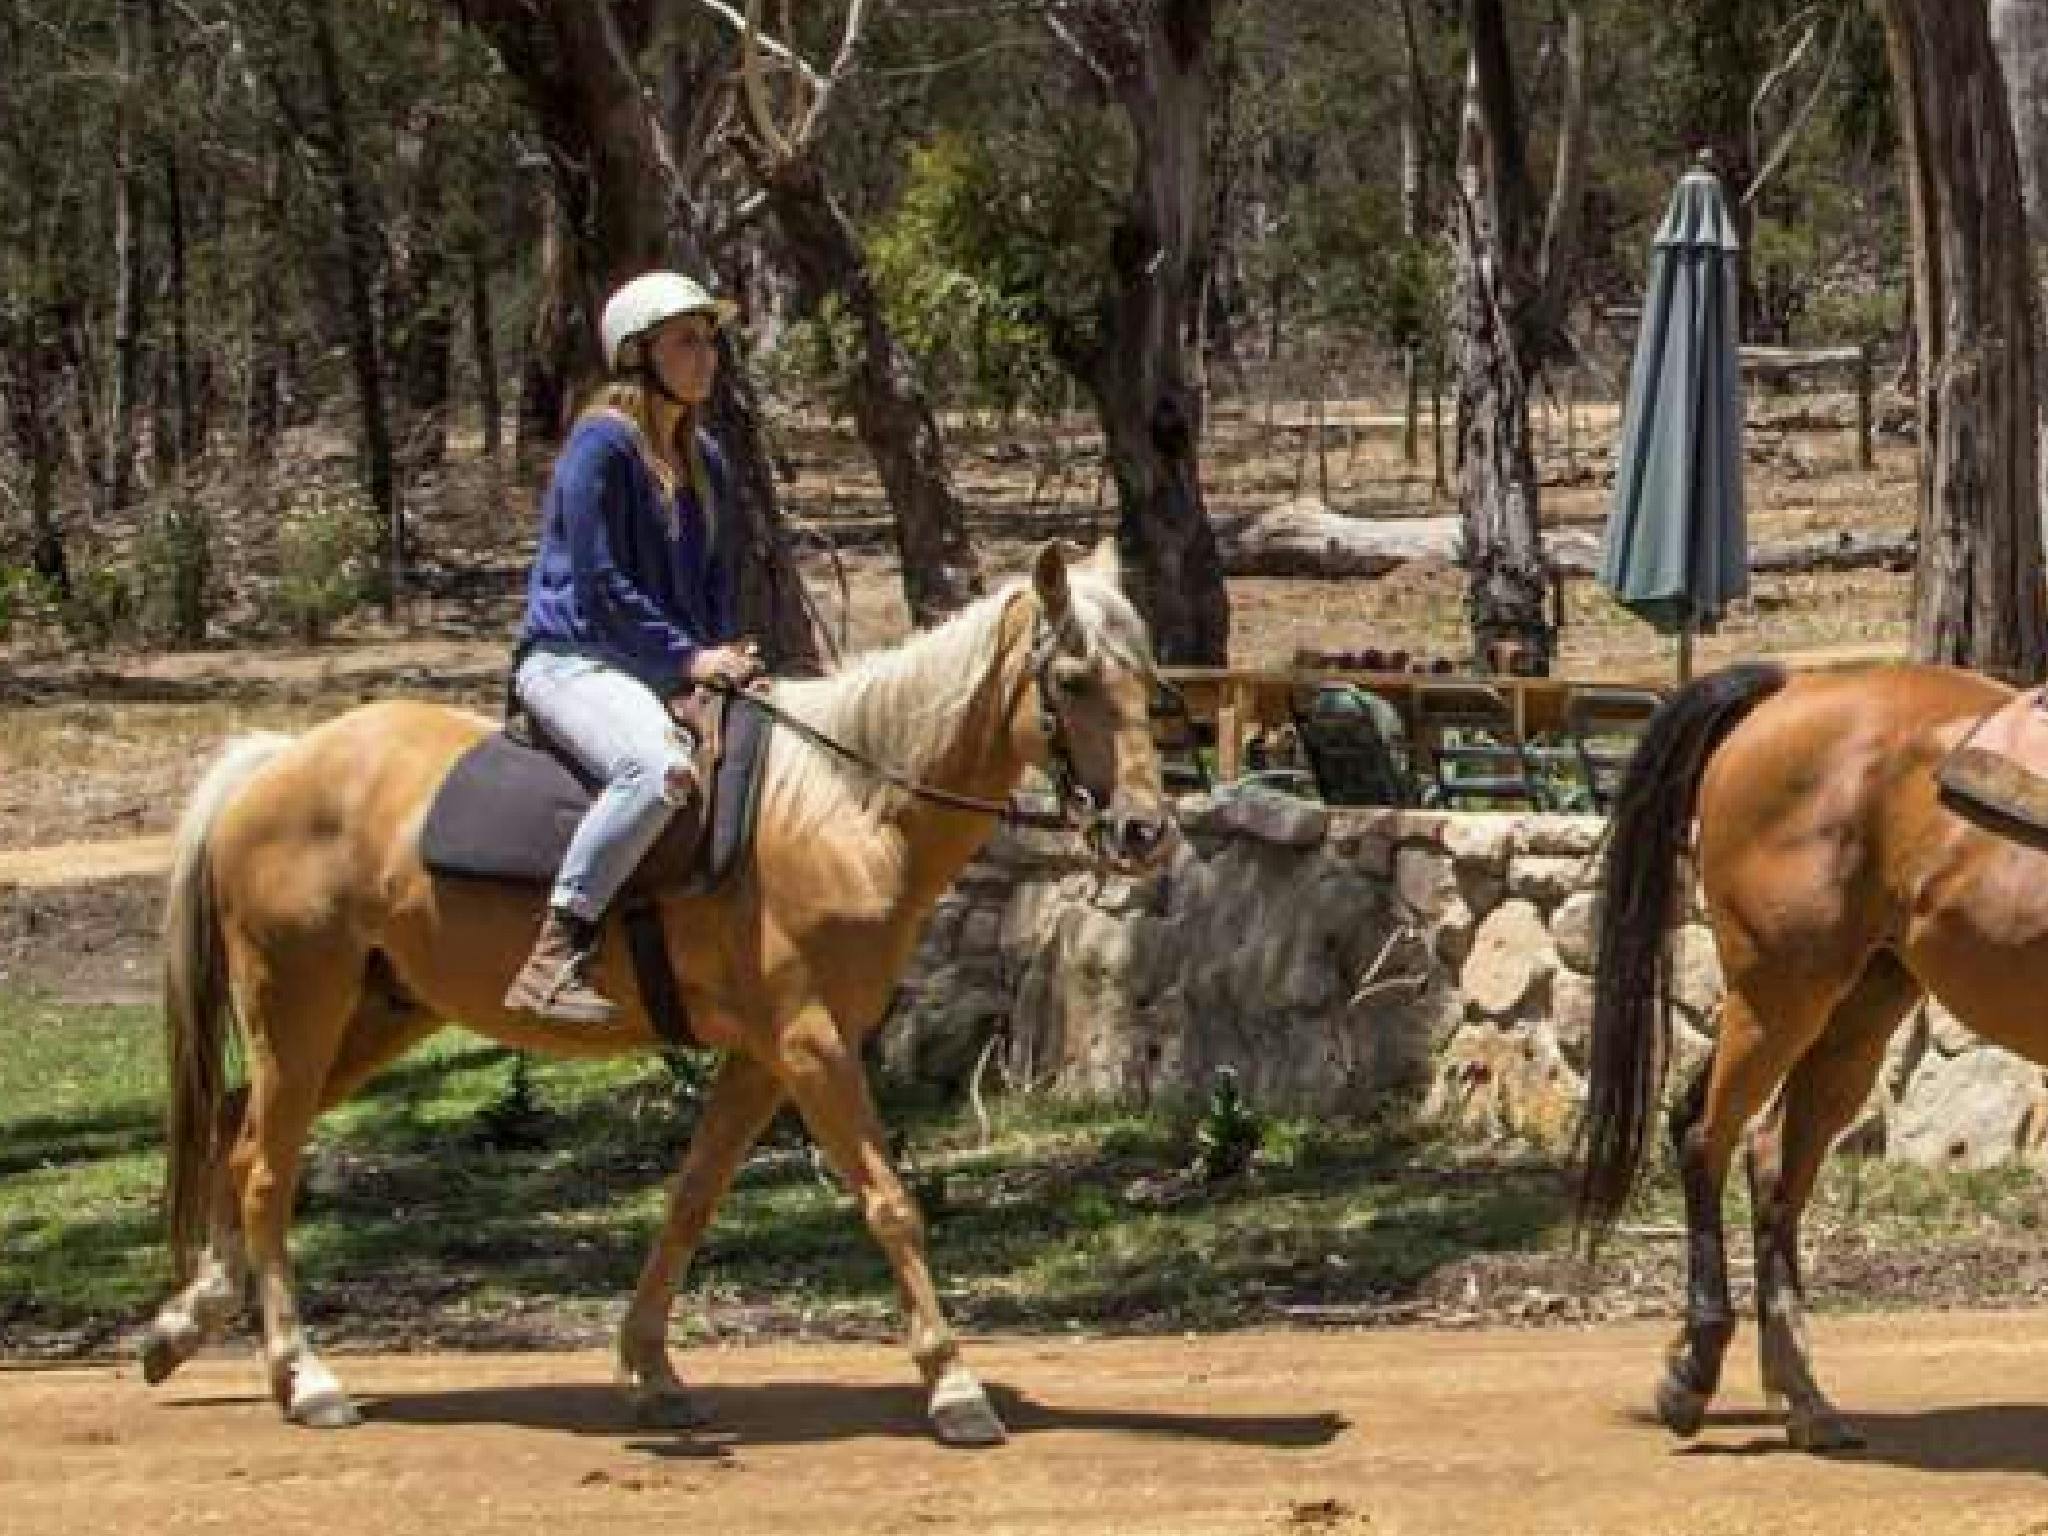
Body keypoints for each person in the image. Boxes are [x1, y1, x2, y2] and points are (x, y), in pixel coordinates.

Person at [502, 270, 764, 1028]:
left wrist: (719, 656)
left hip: (661, 667)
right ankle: (559, 946)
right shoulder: (601, 447)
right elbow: (601, 586)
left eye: (709, 341)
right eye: (686, 342)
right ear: (637, 355)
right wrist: (687, 661)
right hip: (573, 659)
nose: (706, 356)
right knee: (654, 773)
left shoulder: (704, 459)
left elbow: (714, 581)